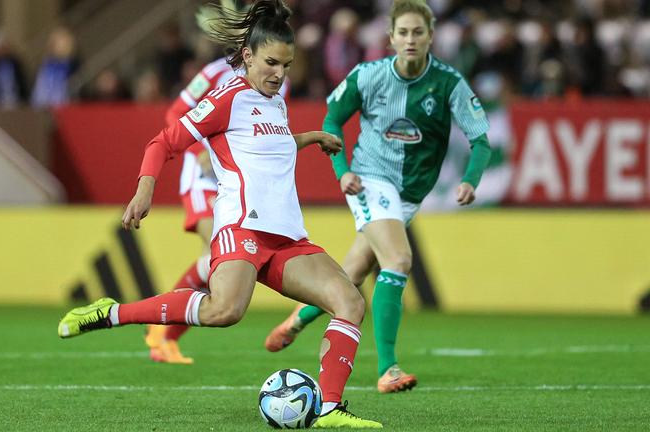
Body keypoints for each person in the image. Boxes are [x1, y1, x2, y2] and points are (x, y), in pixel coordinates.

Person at [58, 1, 382, 428]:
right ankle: (111, 313)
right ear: (247, 56)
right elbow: (164, 142)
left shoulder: (276, 103)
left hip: (286, 236)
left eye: (286, 65)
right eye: (270, 63)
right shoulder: (226, 98)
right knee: (223, 311)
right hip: (242, 226)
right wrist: (145, 188)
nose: (279, 74)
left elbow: (266, 143)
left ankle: (329, 409)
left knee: (350, 302)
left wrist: (309, 138)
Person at [264, 0, 492, 395]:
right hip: (370, 179)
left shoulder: (449, 83)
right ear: (390, 38)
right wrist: (343, 171)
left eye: (417, 32)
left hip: (409, 193)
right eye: (402, 32)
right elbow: (332, 119)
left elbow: (481, 140)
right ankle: (388, 368)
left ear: (430, 37)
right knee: (399, 259)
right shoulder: (367, 76)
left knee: (351, 275)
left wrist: (471, 179)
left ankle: (298, 319)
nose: (409, 39)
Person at [143, 0, 290, 365]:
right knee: (217, 255)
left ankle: (164, 332)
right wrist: (199, 151)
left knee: (215, 258)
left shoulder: (275, 82)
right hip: (203, 178)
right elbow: (175, 114)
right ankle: (163, 330)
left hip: (238, 184)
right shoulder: (214, 72)